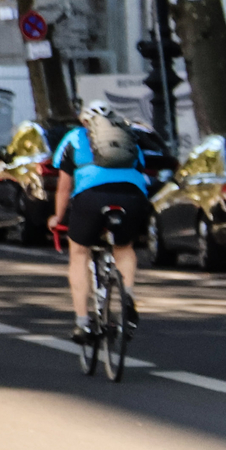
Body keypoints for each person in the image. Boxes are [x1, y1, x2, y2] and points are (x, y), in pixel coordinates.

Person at [49, 99, 154, 339]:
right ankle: (126, 294)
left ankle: (82, 322)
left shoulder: (75, 137)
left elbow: (64, 187)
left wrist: (57, 217)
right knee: (124, 247)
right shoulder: (127, 137)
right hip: (132, 196)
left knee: (79, 253)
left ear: (84, 120)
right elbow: (141, 169)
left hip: (91, 199)